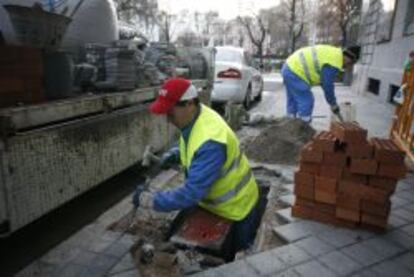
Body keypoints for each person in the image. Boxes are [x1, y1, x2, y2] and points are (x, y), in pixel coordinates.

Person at [132, 78, 260, 253]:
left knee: (237, 258)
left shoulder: (211, 141)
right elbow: (192, 143)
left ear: (189, 104)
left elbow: (191, 193)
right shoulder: (197, 116)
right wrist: (175, 155)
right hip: (215, 201)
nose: (168, 119)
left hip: (236, 207)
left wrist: (150, 200)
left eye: (170, 112)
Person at [281, 44, 361, 122]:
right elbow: (327, 85)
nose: (348, 66)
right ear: (349, 57)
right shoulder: (334, 62)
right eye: (351, 63)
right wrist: (333, 103)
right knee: (306, 100)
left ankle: (290, 123)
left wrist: (332, 102)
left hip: (289, 67)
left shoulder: (334, 54)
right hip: (295, 71)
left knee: (293, 99)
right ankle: (304, 126)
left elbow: (324, 82)